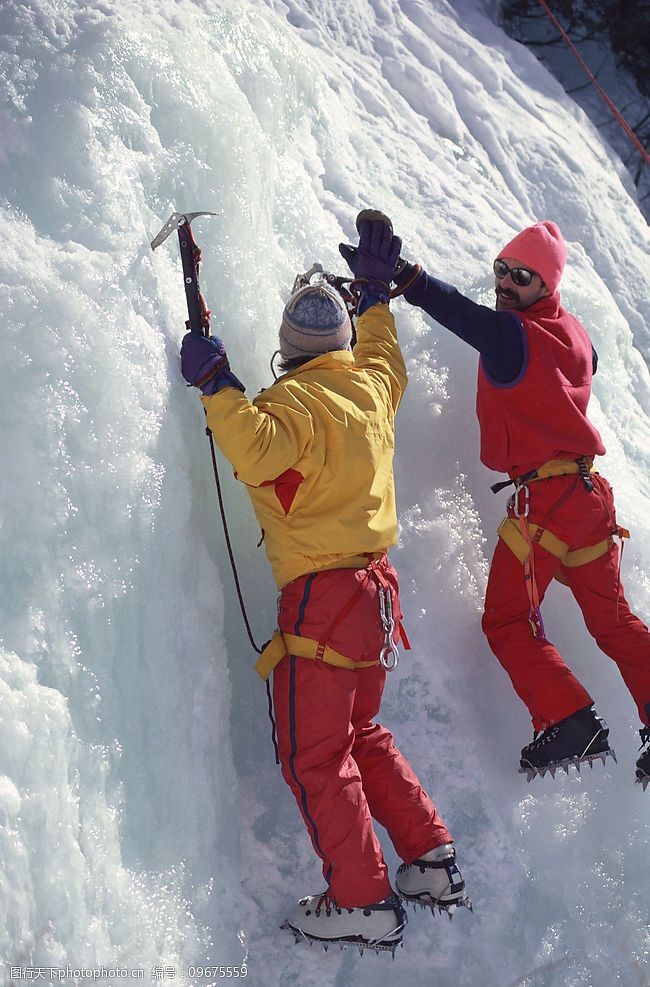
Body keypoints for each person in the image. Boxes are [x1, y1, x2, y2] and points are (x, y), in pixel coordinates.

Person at [180, 211, 470, 954]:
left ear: (287, 350)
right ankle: (430, 858)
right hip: (375, 600)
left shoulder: (291, 406)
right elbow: (384, 354)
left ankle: (363, 898)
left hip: (319, 603)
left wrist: (216, 380)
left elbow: (250, 447)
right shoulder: (369, 389)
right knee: (361, 734)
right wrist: (372, 295)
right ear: (340, 343)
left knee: (316, 755)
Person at [386, 220, 650, 786]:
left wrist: (404, 277)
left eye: (521, 276)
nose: (505, 283)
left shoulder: (513, 335)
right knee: (614, 622)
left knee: (507, 620)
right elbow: (588, 357)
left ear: (545, 285)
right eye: (501, 270)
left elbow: (462, 315)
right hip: (589, 499)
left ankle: (570, 718)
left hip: (547, 505)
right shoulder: (570, 330)